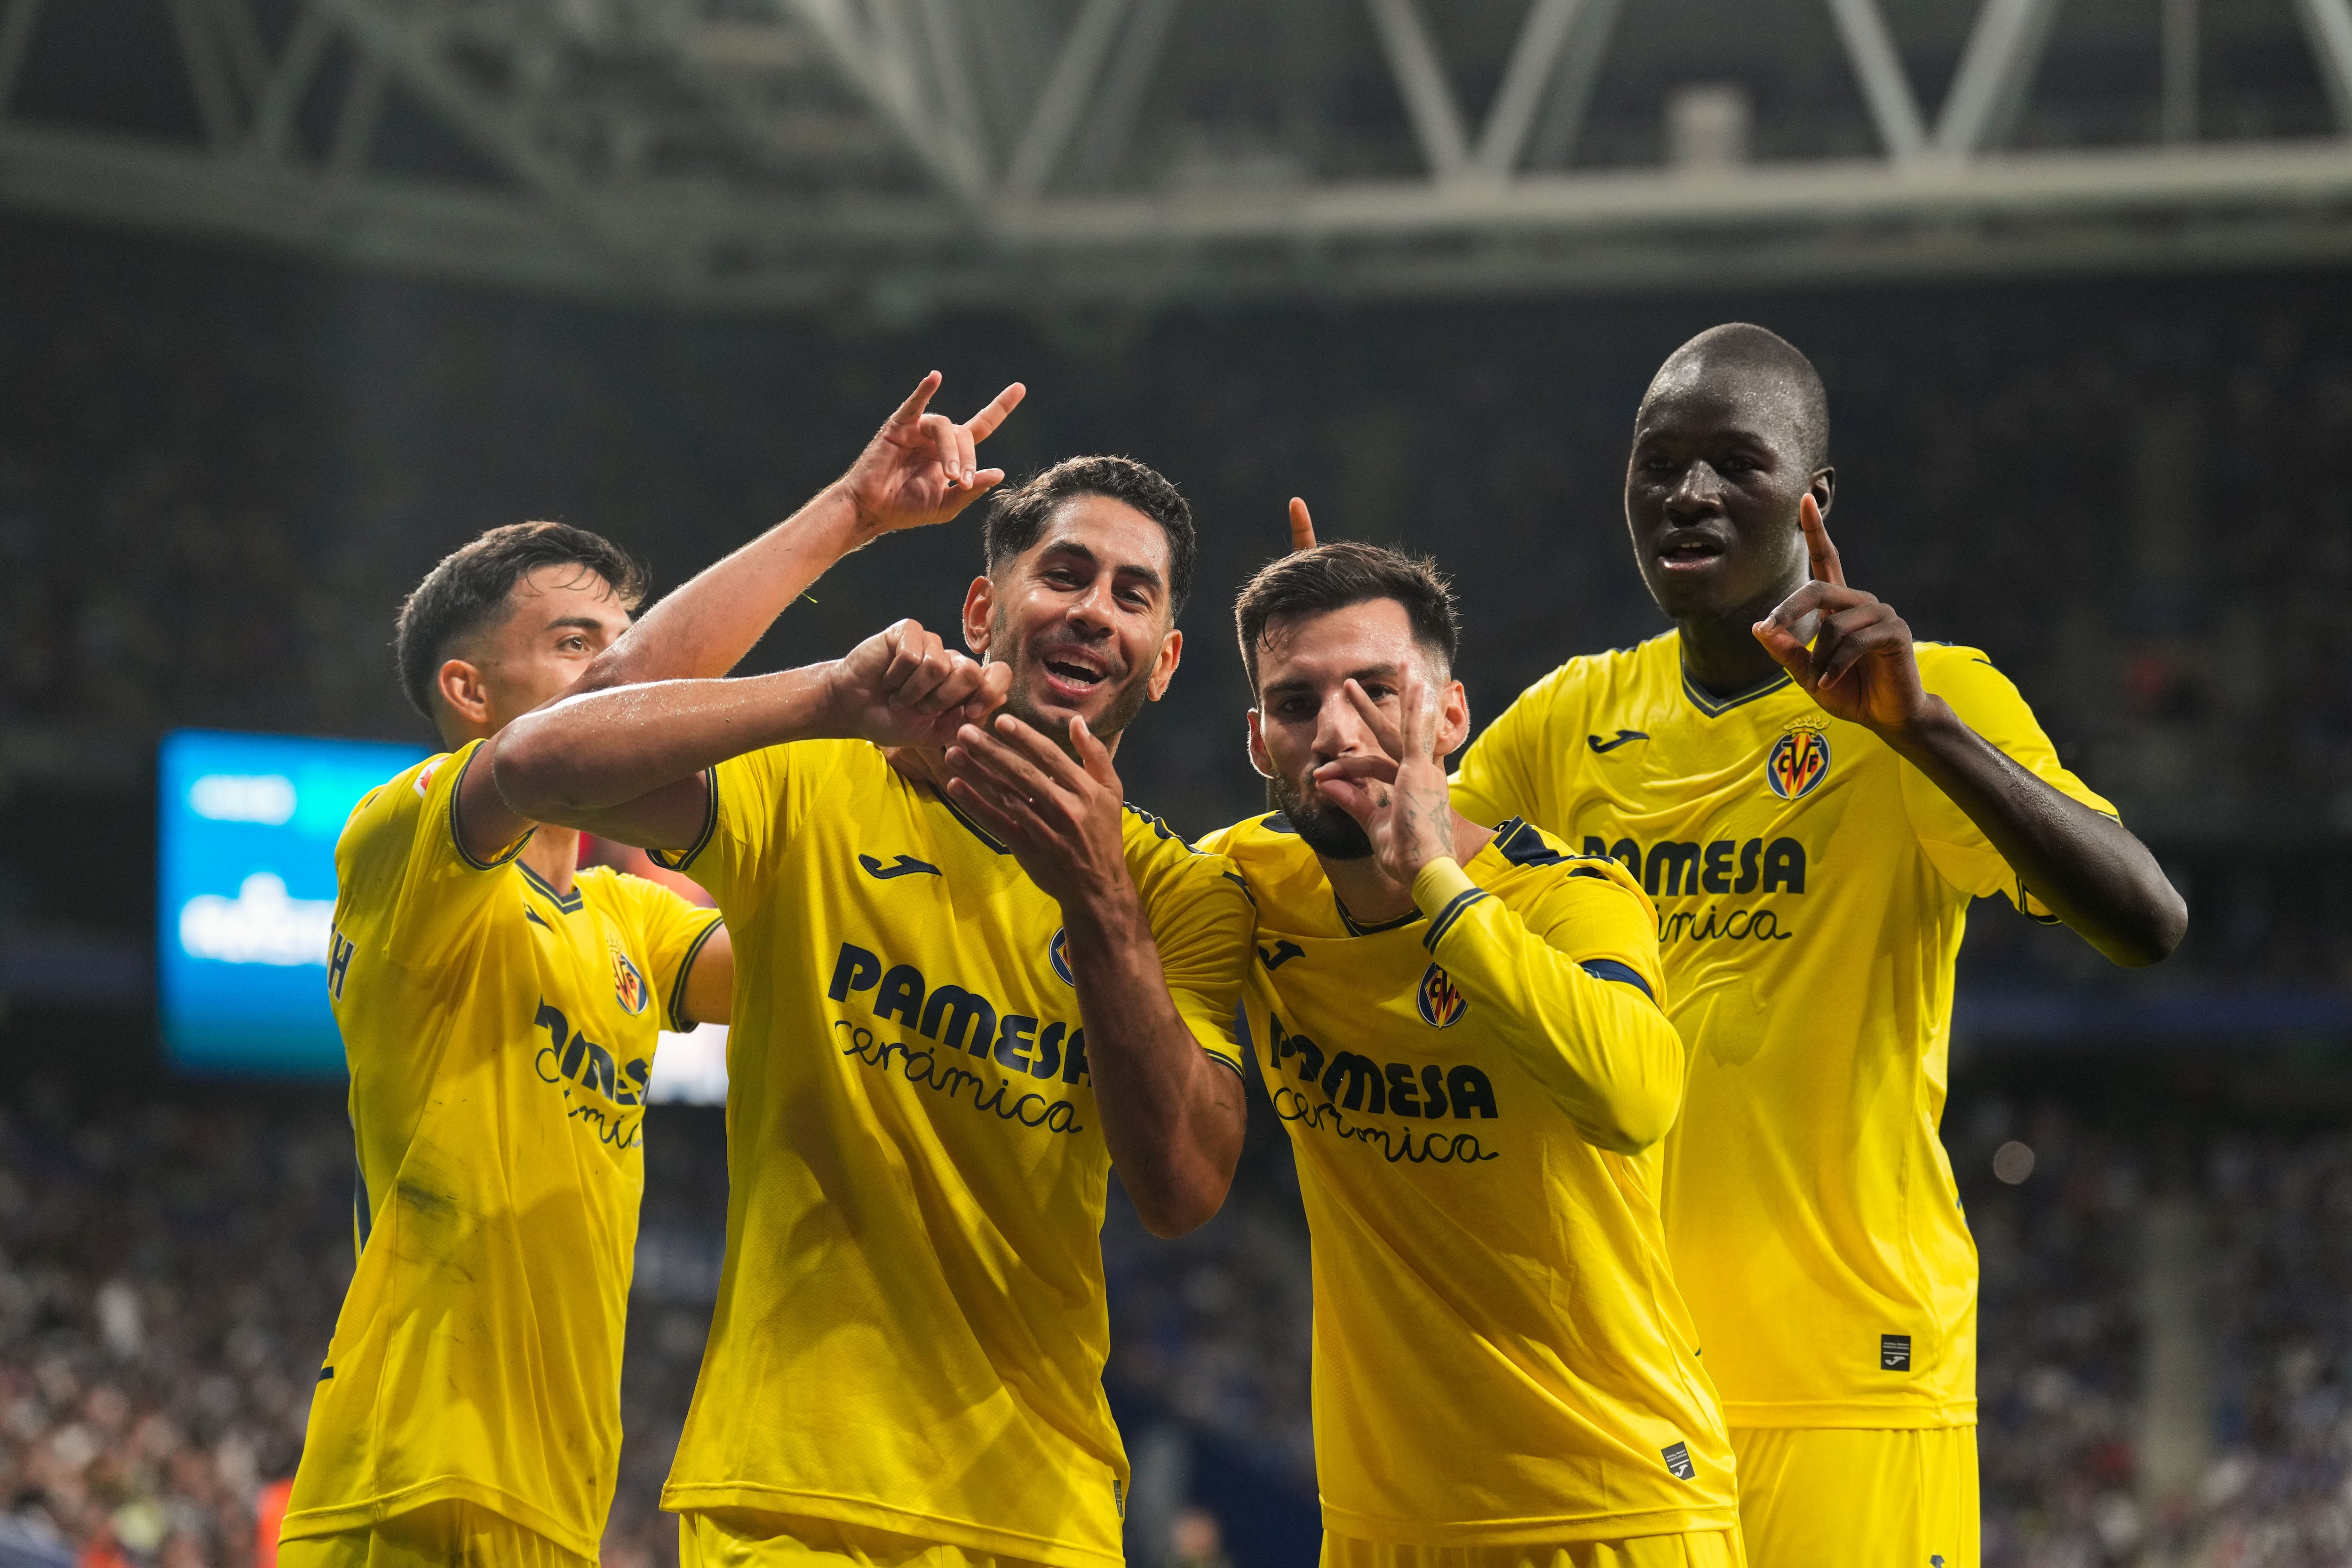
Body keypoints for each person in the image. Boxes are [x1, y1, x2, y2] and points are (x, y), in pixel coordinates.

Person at [1443, 324, 2187, 1565]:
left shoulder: (1931, 696)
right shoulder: (1571, 722)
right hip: (1627, 1376)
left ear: (1810, 498)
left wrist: (1923, 732)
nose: (1686, 492)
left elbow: (2146, 920)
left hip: (1853, 1370)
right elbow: (1390, 867)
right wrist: (1336, 686)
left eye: (1735, 461)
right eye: (1656, 462)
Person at [492, 391, 1254, 1568]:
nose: (1095, 612)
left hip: (1039, 1515)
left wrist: (1100, 900)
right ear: (982, 605)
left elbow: (1185, 1187)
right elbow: (543, 757)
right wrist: (839, 588)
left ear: (1166, 659)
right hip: (787, 1498)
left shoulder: (1180, 896)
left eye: (1131, 593)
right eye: (1064, 573)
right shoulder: (820, 789)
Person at [1176, 540, 1740, 1567]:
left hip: (1611, 1510)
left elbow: (1635, 1095)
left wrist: (1441, 886)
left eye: (1377, 689)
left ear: (1450, 717)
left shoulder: (1572, 897)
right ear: (1260, 743)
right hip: (1381, 1528)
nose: (1339, 730)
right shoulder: (1240, 886)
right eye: (1298, 704)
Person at [279, 521, 735, 1568]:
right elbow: (553, 756)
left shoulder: (628, 920)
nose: (625, 673)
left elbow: (822, 963)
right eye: (580, 645)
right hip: (409, 1481)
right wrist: (836, 670)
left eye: (634, 643)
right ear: (469, 691)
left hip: (561, 1505)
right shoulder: (400, 837)